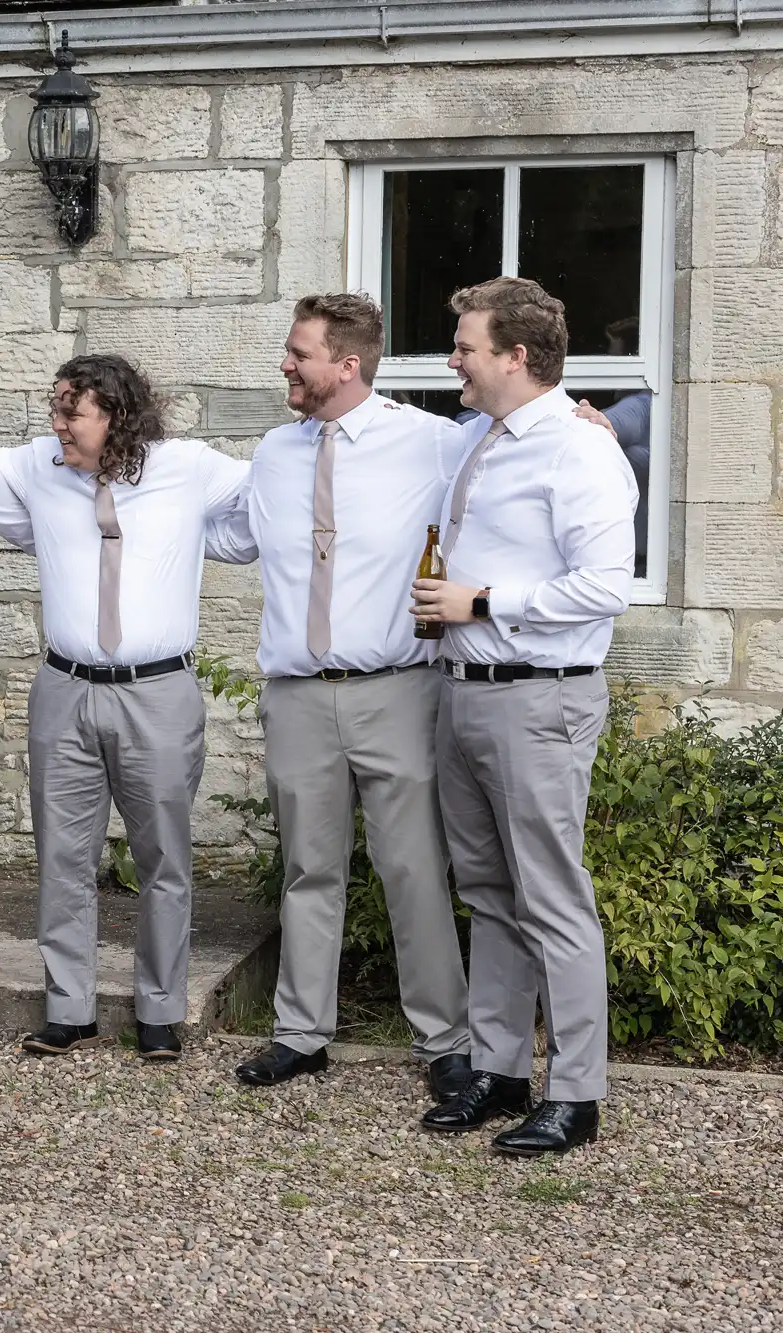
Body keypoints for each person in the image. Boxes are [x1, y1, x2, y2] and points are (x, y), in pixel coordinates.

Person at [215, 294, 474, 1103]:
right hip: (297, 694)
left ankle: (445, 1041)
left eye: (299, 353)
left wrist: (583, 416)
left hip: (396, 690)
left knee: (413, 869)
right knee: (307, 868)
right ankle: (301, 1033)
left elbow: (522, 443)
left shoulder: (433, 442)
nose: (285, 364)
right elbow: (224, 530)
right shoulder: (275, 451)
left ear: (348, 364)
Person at [412, 276, 636, 1157]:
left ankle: (576, 1094)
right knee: (491, 896)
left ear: (515, 355)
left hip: (541, 698)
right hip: (463, 695)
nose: (453, 360)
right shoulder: (478, 439)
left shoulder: (578, 452)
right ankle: (502, 1073)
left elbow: (605, 585)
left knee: (553, 900)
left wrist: (481, 601)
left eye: (465, 346)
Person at [0, 354, 248, 1060]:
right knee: (62, 855)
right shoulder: (40, 465)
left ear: (118, 416)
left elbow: (277, 494)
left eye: (74, 411)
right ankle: (67, 1007)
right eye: (56, 407)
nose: (58, 423)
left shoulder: (187, 467)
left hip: (157, 691)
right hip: (63, 688)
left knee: (163, 856)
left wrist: (212, 541)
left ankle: (158, 1008)